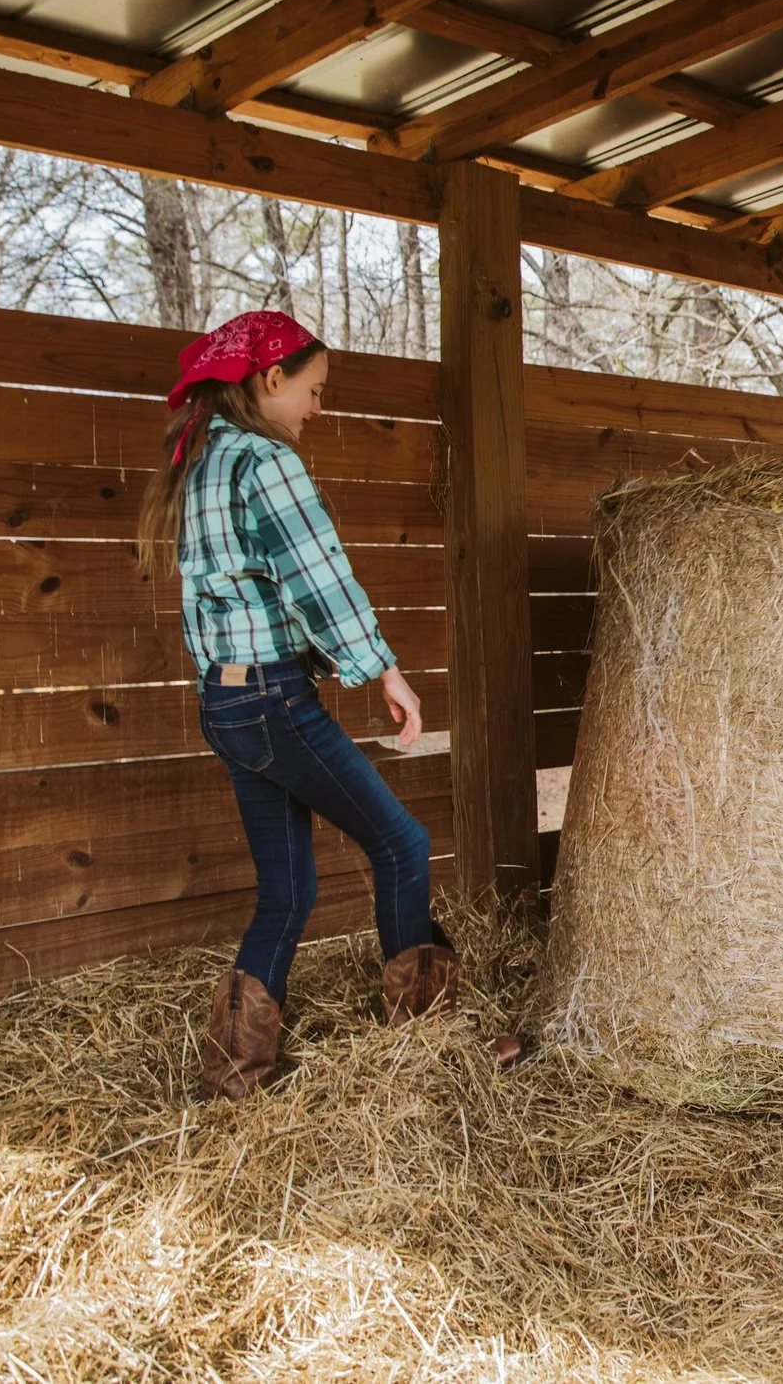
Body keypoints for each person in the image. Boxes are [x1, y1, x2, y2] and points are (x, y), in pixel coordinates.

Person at [138, 311, 458, 1101]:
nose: (318, 408)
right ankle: (428, 1046)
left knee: (290, 891)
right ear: (270, 380)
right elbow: (320, 579)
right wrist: (383, 669)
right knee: (402, 845)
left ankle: (235, 1075)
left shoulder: (201, 461)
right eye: (313, 391)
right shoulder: (262, 461)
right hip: (274, 699)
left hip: (228, 700)